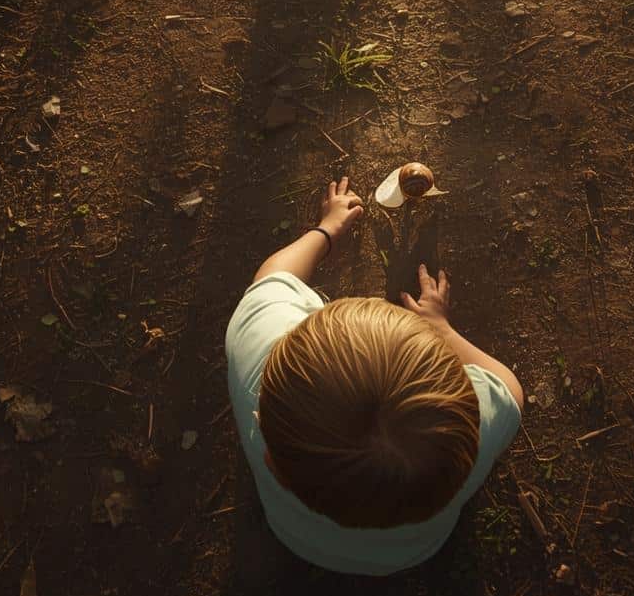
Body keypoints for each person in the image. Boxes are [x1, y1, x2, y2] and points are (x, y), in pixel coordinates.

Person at [224, 176, 525, 575]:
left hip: (292, 536)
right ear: (464, 454)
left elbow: (273, 279)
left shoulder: (256, 360)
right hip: (413, 554)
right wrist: (441, 329)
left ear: (272, 463)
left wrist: (326, 230)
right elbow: (508, 386)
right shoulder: (470, 434)